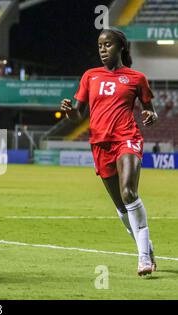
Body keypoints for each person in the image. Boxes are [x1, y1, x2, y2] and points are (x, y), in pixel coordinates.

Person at [60, 28, 159, 276]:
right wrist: (70, 111)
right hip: (100, 144)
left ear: (121, 48)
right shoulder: (90, 76)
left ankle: (143, 258)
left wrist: (150, 115)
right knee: (121, 207)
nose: (103, 49)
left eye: (108, 45)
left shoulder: (137, 78)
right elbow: (78, 116)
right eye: (100, 45)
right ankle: (146, 245)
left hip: (127, 138)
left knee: (129, 192)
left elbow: (150, 109)